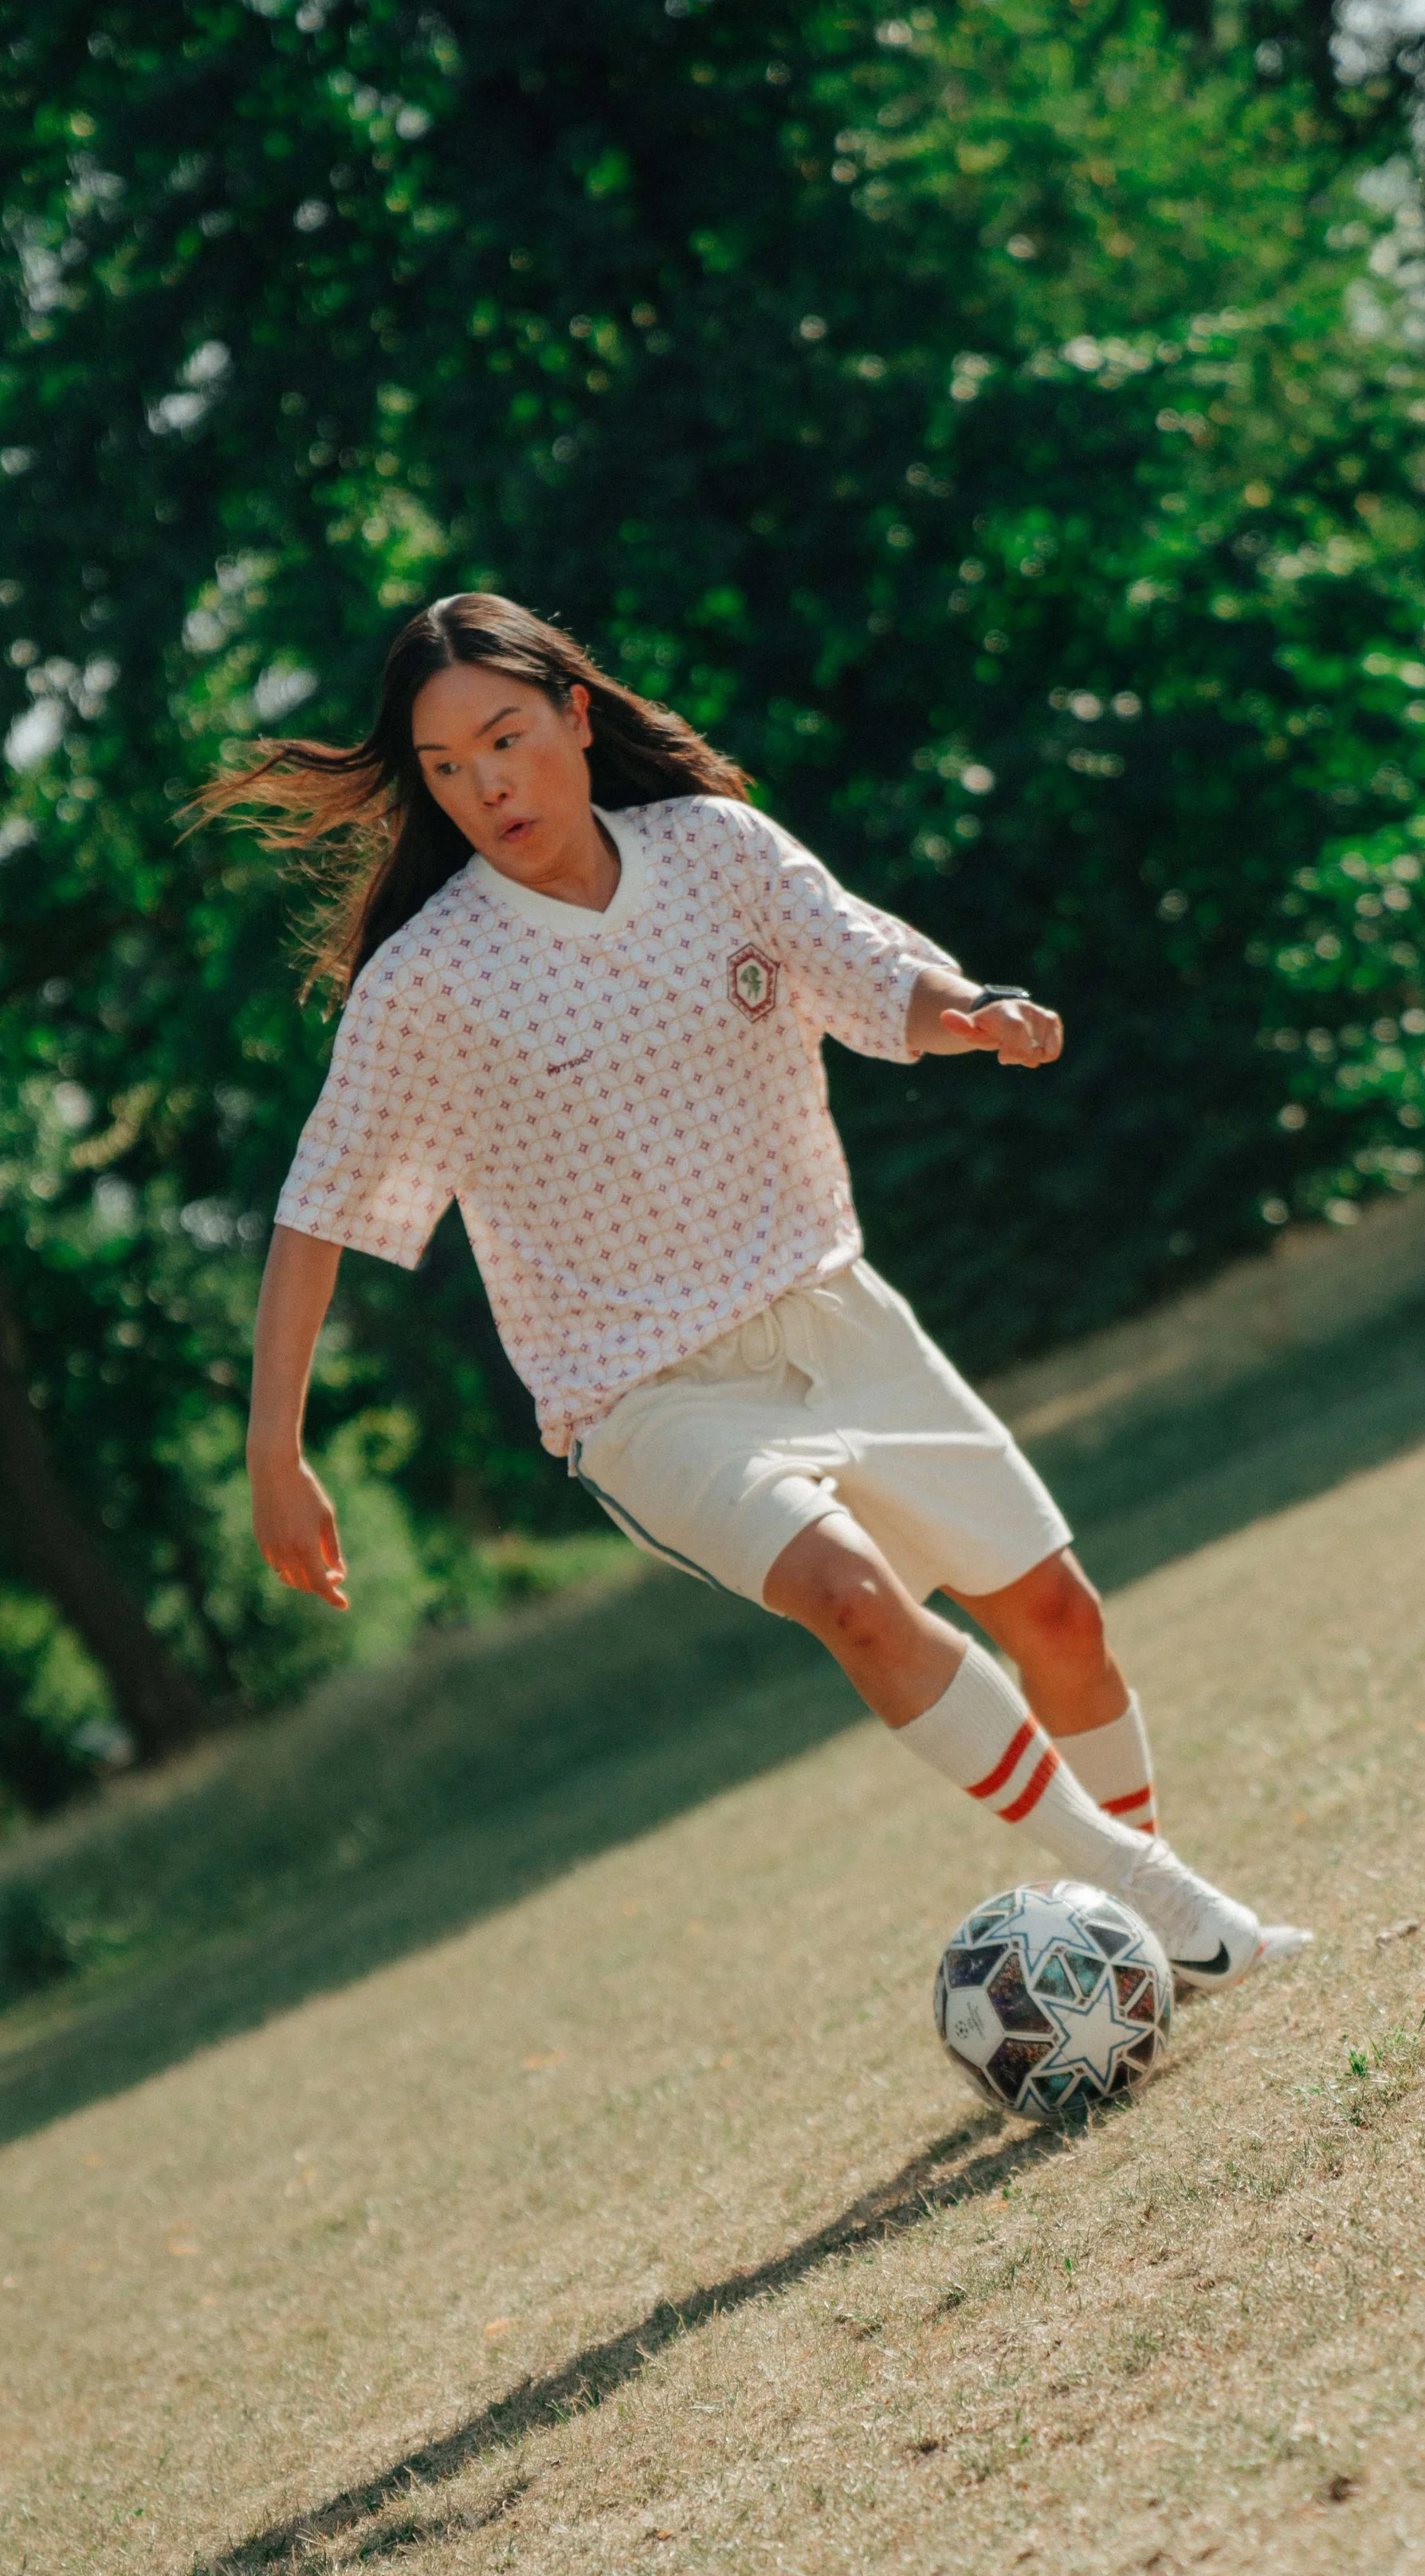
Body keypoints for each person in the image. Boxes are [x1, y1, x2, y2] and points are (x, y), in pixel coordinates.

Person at [217, 593, 1308, 1987]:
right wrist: (274, 1451)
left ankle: (1150, 1944)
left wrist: (962, 1012)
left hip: (832, 1310)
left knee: (1063, 1623)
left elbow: (867, 968)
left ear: (576, 717)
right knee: (853, 1595)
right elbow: (319, 1213)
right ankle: (1166, 1900)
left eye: (505, 736)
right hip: (644, 1394)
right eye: (444, 766)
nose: (484, 782)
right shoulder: (429, 983)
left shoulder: (716, 851)